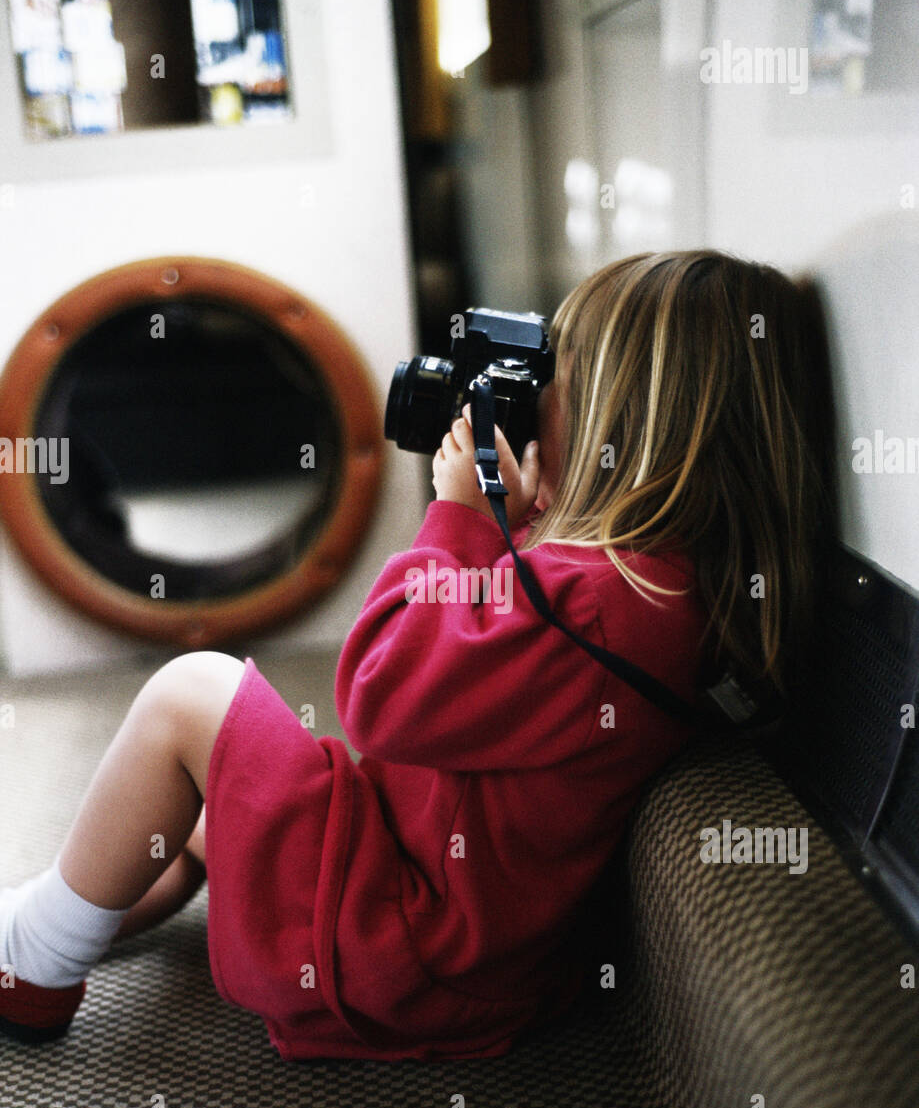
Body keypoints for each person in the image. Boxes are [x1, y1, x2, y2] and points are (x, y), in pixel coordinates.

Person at [0, 250, 835, 1057]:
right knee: (191, 815)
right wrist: (532, 513)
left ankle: (38, 961)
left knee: (191, 694)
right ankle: (43, 917)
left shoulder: (595, 598)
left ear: (620, 420)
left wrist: (461, 519)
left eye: (557, 383)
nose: (535, 400)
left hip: (408, 940)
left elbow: (379, 687)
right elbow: (502, 650)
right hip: (445, 916)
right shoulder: (653, 587)